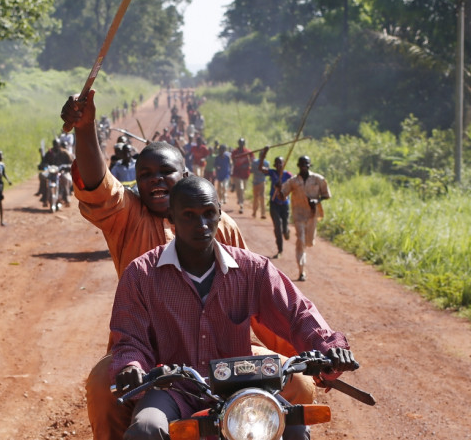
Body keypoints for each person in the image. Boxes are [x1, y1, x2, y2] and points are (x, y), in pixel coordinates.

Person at [60, 90, 314, 440]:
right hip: (151, 356)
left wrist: (308, 353)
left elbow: (259, 297)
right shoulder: (128, 216)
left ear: (188, 176)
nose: (156, 180)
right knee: (105, 390)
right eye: (146, 174)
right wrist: (85, 128)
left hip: (227, 351)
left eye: (166, 172)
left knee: (299, 384)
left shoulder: (223, 227)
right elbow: (97, 185)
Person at [111, 176, 355, 440]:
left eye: (208, 214)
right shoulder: (141, 274)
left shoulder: (253, 269)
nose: (201, 224)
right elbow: (130, 339)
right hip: (174, 389)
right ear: (171, 216)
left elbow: (297, 313)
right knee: (146, 428)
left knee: (294, 426)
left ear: (219, 213)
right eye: (189, 215)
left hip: (244, 387)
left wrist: (330, 349)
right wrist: (131, 367)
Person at [278, 156, 331, 281]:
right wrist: (278, 188)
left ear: (309, 165)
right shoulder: (293, 181)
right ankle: (301, 271)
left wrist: (317, 200)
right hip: (299, 215)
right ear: (298, 165)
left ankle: (305, 250)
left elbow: (326, 195)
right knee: (300, 241)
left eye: (306, 164)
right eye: (301, 164)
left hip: (313, 215)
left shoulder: (318, 179)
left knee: (309, 242)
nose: (303, 166)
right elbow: (282, 196)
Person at [259, 149, 292, 259]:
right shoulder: (272, 172)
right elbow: (260, 169)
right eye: (277, 163)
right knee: (277, 227)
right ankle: (280, 250)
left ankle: (286, 231)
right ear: (274, 164)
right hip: (274, 204)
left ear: (283, 164)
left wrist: (281, 187)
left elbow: (292, 187)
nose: (278, 165)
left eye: (280, 163)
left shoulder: (288, 175)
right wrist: (263, 156)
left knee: (284, 227)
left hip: (285, 204)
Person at [230, 138, 251, 214]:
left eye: (242, 143)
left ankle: (240, 199)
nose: (241, 145)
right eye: (240, 143)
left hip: (245, 174)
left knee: (242, 189)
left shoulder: (248, 152)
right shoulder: (235, 152)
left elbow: (251, 162)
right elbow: (233, 161)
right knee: (241, 188)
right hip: (237, 173)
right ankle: (241, 205)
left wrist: (246, 165)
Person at [251, 149, 269, 219]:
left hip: (262, 181)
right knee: (256, 197)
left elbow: (267, 173)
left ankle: (263, 213)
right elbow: (252, 171)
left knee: (262, 197)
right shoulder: (255, 162)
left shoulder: (267, 163)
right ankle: (254, 212)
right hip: (256, 182)